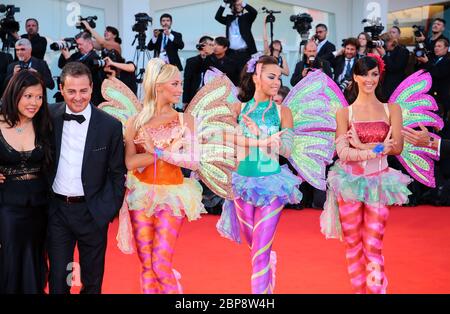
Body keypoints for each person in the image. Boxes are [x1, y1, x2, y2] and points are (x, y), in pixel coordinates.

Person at [325, 56, 412, 294]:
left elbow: (397, 148)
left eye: (374, 74)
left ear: (379, 76)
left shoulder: (391, 109)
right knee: (353, 245)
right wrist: (375, 149)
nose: (369, 79)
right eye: (364, 74)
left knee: (373, 245)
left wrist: (363, 148)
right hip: (349, 183)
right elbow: (342, 153)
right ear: (355, 77)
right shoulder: (345, 113)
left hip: (380, 182)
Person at [123, 58, 207, 293]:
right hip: (140, 195)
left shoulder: (185, 120)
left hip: (173, 194)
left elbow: (193, 161)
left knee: (160, 264)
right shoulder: (135, 122)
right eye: (175, 84)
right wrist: (158, 152)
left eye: (180, 84)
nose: (181, 89)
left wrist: (158, 151)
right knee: (146, 265)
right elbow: (131, 161)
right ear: (158, 87)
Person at [220, 55, 301, 294]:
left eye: (279, 77)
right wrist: (254, 138)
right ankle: (268, 268)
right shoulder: (237, 109)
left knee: (260, 251)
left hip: (272, 184)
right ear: (256, 77)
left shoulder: (282, 111)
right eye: (271, 76)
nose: (277, 82)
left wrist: (264, 141)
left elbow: (287, 149)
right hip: (241, 183)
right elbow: (222, 136)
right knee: (253, 243)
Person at [47, 62, 126, 294]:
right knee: (58, 279)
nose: (78, 97)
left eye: (83, 90)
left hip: (93, 212)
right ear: (61, 89)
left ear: (92, 88)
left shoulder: (110, 125)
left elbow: (117, 173)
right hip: (57, 212)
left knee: (92, 281)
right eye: (71, 91)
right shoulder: (48, 116)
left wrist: (106, 210)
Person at [0, 70, 53, 293]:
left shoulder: (46, 123)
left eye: (39, 96)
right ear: (15, 95)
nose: (34, 103)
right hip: (8, 207)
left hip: (41, 207)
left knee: (35, 262)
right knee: (10, 261)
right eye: (28, 96)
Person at [57, 32, 104, 106]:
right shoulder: (76, 55)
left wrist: (68, 58)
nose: (78, 47)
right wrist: (64, 51)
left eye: (80, 44)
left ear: (89, 43)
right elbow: (61, 65)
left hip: (89, 99)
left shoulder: (95, 58)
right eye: (77, 44)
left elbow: (78, 73)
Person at [215, 0, 258, 70]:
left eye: (239, 5)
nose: (237, 6)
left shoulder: (247, 17)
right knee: (231, 74)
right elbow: (217, 17)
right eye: (235, 5)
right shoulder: (229, 18)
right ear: (232, 8)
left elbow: (254, 12)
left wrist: (242, 3)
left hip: (244, 53)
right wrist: (224, 3)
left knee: (244, 75)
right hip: (231, 53)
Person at [417, 38, 450, 119]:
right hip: (430, 96)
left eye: (439, 46)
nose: (436, 48)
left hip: (441, 97)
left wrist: (427, 62)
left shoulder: (448, 61)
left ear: (446, 48)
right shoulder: (434, 59)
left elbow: (439, 73)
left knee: (439, 122)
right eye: (435, 46)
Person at [183, 36, 214, 106]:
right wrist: (185, 101)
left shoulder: (214, 60)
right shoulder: (191, 61)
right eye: (210, 45)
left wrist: (209, 56)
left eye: (212, 45)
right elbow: (187, 81)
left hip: (210, 97)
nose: (212, 47)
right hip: (194, 96)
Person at [378, 32, 410, 101]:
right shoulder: (384, 51)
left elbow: (395, 68)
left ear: (390, 42)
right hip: (383, 88)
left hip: (395, 88)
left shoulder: (403, 51)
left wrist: (384, 55)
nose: (383, 46)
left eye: (383, 43)